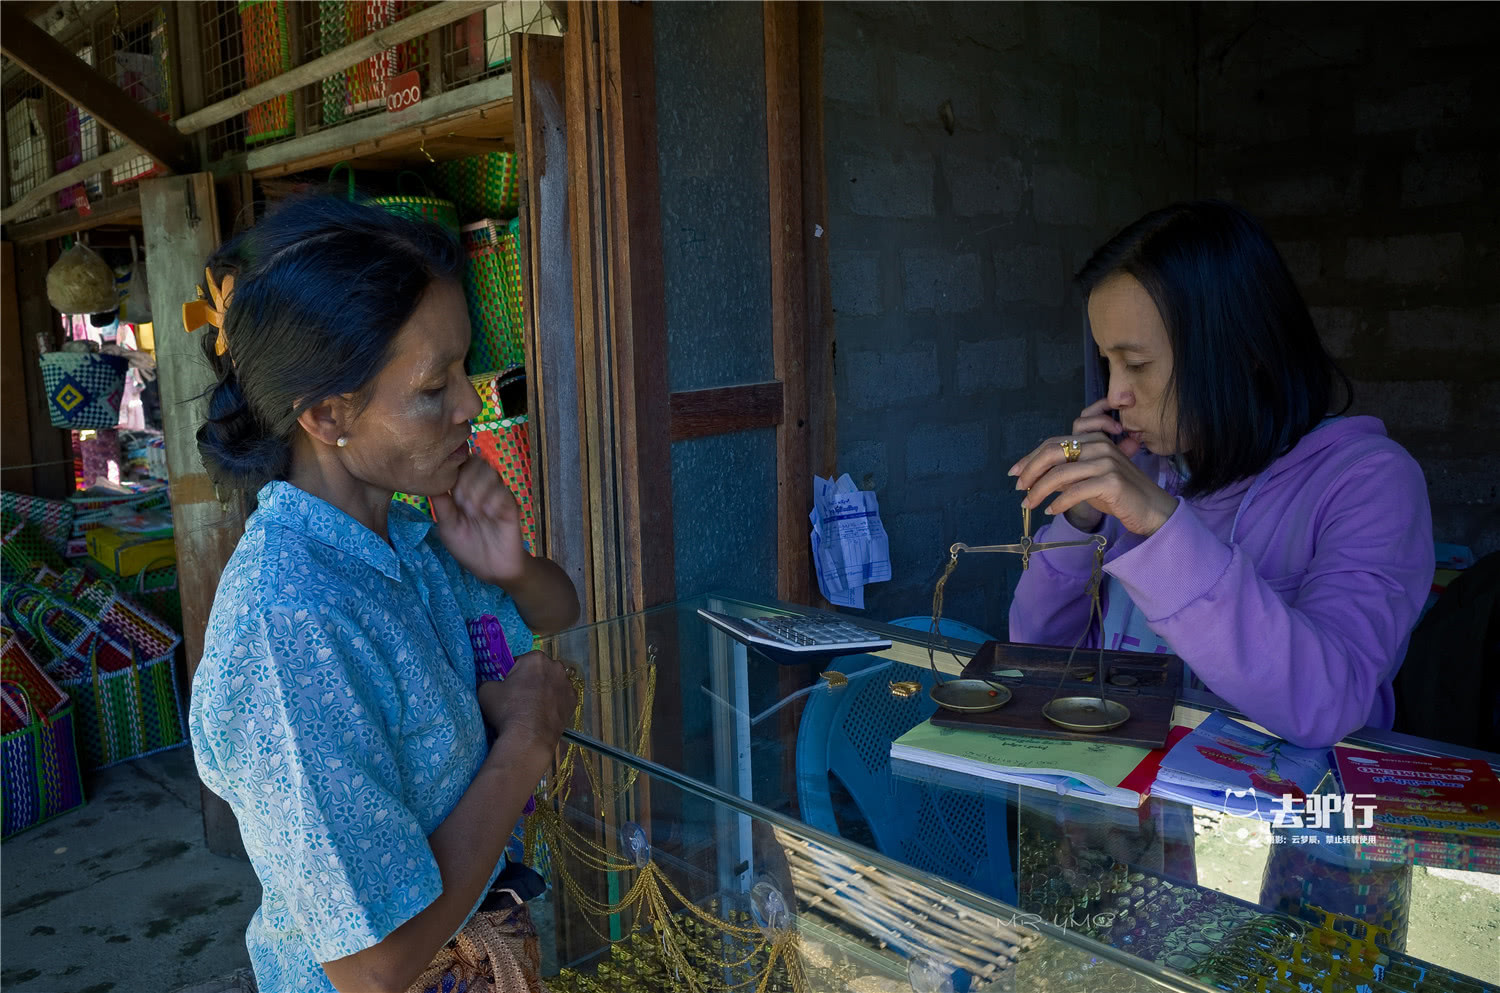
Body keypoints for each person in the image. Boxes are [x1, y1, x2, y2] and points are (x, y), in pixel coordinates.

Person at [186, 195, 580, 993]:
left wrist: (509, 565)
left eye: (463, 369)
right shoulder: (290, 624)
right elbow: (372, 965)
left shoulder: (406, 538)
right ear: (329, 414)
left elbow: (555, 614)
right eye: (436, 387)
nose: (471, 403)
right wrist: (527, 741)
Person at [1008, 200, 1433, 749]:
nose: (1115, 395)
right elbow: (1033, 657)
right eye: (1107, 363)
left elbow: (1329, 703)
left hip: (1269, 823)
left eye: (1136, 365)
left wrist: (1163, 529)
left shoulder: (1369, 483)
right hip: (1116, 809)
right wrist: (1079, 522)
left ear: (1245, 350)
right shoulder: (1138, 467)